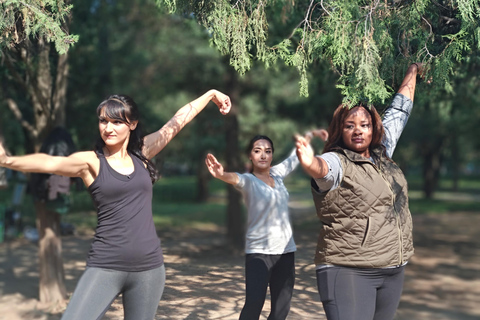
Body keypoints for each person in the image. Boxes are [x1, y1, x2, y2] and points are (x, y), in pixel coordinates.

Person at [0, 90, 231, 320]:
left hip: (149, 269)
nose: (108, 128)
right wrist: (8, 161)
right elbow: (51, 162)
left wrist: (210, 95)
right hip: (106, 265)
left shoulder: (142, 153)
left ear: (132, 124)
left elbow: (177, 122)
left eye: (117, 122)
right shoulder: (91, 161)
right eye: (103, 121)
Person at [294, 63, 423, 320]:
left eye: (364, 125)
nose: (357, 131)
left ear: (373, 128)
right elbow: (324, 169)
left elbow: (399, 110)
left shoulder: (382, 153)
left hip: (392, 268)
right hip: (348, 269)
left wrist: (413, 69)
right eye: (349, 126)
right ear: (339, 130)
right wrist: (310, 163)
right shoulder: (337, 160)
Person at [205, 131, 326, 320]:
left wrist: (311, 135)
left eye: (268, 151)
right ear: (250, 156)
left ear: (272, 155)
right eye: (257, 151)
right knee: (254, 305)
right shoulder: (249, 181)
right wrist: (221, 174)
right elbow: (233, 178)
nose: (263, 155)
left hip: (286, 251)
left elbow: (295, 157)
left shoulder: (277, 174)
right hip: (259, 253)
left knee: (281, 310)